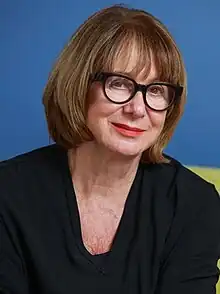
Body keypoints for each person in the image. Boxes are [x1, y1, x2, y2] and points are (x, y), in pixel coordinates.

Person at [0, 4, 220, 294]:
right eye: (119, 84)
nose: (137, 109)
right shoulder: (8, 193)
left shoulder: (194, 204)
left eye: (156, 90)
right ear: (79, 85)